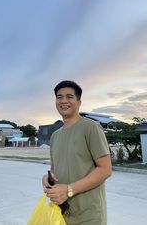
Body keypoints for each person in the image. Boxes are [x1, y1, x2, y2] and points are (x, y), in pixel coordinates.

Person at [42, 80, 112, 225]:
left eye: (69, 97)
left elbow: (105, 169)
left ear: (79, 102)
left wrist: (68, 190)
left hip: (88, 216)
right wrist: (47, 179)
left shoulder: (90, 127)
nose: (64, 101)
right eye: (59, 97)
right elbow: (55, 170)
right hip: (61, 214)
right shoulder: (55, 136)